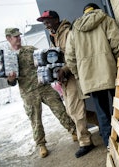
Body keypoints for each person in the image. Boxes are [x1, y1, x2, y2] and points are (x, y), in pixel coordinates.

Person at [4, 28, 76, 158]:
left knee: (60, 109)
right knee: (35, 120)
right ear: (8, 38)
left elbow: (45, 62)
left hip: (44, 87)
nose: (18, 38)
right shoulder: (8, 58)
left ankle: (73, 131)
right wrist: (11, 79)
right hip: (28, 92)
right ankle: (41, 145)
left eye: (19, 36)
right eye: (15, 37)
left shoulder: (31, 50)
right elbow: (11, 82)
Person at [37, 10, 94, 158]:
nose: (46, 24)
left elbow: (75, 55)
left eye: (48, 20)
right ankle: (105, 122)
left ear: (56, 19)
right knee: (72, 111)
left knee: (75, 110)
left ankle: (85, 142)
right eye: (44, 22)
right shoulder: (53, 35)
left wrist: (64, 69)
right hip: (63, 79)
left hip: (72, 75)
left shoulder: (67, 32)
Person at [65, 3, 119, 148]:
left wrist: (80, 75)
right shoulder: (106, 20)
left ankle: (110, 143)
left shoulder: (74, 30)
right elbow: (117, 44)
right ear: (97, 9)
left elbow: (70, 58)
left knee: (102, 112)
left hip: (89, 77)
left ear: (84, 13)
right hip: (111, 71)